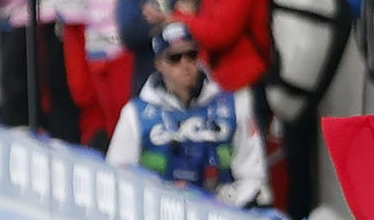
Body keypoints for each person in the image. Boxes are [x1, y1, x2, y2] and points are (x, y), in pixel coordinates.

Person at [104, 17, 268, 210]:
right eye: (174, 58)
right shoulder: (136, 114)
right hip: (156, 215)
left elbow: (253, 174)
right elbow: (117, 177)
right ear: (159, 64)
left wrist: (222, 204)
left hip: (221, 215)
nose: (185, 64)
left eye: (191, 55)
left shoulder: (233, 107)